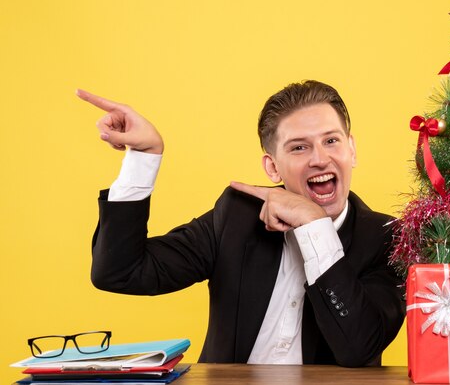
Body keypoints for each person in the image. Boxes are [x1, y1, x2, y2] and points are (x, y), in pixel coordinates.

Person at [78, 80, 404, 367]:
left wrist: (316, 226)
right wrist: (144, 156)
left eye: (331, 141)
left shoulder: (388, 239)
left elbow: (358, 349)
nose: (319, 158)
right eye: (299, 147)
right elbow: (121, 271)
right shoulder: (238, 216)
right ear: (273, 168)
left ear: (352, 150)